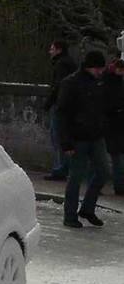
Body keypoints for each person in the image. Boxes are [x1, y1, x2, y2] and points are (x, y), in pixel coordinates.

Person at [57, 50, 109, 228]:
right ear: (89, 67)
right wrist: (66, 142)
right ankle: (70, 215)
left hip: (96, 136)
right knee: (76, 177)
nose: (100, 72)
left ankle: (87, 208)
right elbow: (62, 114)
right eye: (97, 68)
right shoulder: (71, 83)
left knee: (103, 171)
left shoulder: (99, 82)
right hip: (77, 138)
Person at [44, 40, 78, 181]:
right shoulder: (68, 63)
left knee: (58, 136)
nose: (50, 52)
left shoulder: (61, 64)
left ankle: (61, 169)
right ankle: (64, 168)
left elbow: (58, 85)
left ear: (58, 50)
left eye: (52, 49)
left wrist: (49, 102)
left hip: (60, 105)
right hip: (68, 105)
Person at [103, 58, 124, 195]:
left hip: (114, 124)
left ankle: (119, 185)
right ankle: (119, 185)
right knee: (116, 157)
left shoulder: (107, 81)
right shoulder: (110, 82)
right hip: (113, 124)